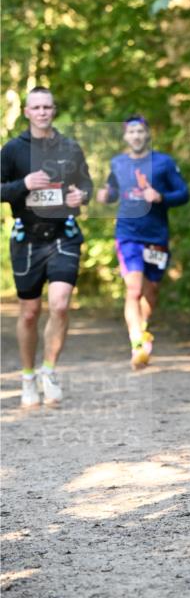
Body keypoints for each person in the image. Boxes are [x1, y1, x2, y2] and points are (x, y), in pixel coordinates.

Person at [1, 86, 92, 408]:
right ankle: (27, 375)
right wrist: (23, 185)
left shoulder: (69, 146)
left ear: (54, 110)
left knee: (61, 304)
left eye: (47, 107)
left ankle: (48, 370)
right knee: (29, 313)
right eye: (36, 107)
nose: (42, 112)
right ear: (27, 112)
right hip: (27, 238)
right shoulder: (12, 150)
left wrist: (81, 196)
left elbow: (86, 183)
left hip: (64, 234)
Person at [97, 116, 189, 368]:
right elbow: (111, 191)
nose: (136, 136)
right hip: (127, 233)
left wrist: (160, 196)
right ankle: (137, 343)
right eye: (131, 132)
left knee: (151, 292)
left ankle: (143, 329)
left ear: (147, 134)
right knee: (133, 289)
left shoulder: (164, 163)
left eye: (140, 132)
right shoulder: (117, 163)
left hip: (156, 236)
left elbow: (184, 193)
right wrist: (104, 195)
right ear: (125, 136)